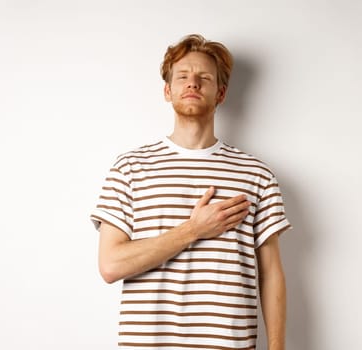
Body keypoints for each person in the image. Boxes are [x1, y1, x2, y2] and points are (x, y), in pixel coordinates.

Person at [89, 34, 291, 349]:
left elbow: (271, 273)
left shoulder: (256, 174)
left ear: (220, 93)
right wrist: (194, 229)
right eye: (182, 76)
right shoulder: (130, 168)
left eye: (204, 78)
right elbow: (111, 265)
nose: (193, 83)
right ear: (168, 91)